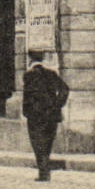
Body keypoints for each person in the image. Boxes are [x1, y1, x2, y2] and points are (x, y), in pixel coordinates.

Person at [21, 50, 70, 182]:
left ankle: (43, 172)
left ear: (31, 60)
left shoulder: (29, 76)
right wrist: (57, 105)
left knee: (37, 143)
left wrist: (26, 113)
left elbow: (27, 97)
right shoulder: (51, 74)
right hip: (51, 115)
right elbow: (65, 89)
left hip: (35, 116)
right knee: (48, 142)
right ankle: (44, 170)